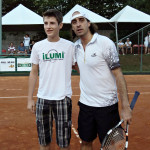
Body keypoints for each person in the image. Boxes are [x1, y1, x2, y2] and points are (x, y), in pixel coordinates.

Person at [71, 10, 132, 150]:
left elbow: (118, 75)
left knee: (113, 146)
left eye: (81, 20)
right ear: (72, 27)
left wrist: (125, 106)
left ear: (89, 23)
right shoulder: (75, 47)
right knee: (85, 142)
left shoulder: (105, 43)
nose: (78, 24)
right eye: (74, 22)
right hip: (86, 106)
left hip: (108, 107)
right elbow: (79, 68)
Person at [27, 9, 75, 150]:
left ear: (60, 25)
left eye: (52, 23)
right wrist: (30, 98)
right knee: (43, 142)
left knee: (64, 143)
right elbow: (34, 72)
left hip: (63, 99)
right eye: (46, 23)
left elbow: (81, 68)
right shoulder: (37, 46)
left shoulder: (70, 47)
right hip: (43, 99)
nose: (48, 26)